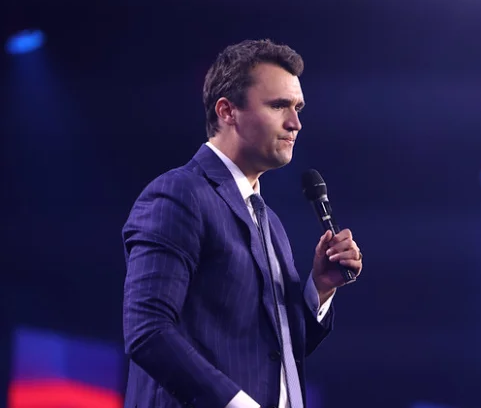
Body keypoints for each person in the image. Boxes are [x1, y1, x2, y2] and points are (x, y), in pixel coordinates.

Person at [121, 39, 363, 408]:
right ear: (227, 111)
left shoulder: (269, 222)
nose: (295, 123)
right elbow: (147, 331)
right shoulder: (179, 194)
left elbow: (273, 356)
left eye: (297, 108)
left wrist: (320, 288)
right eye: (278, 105)